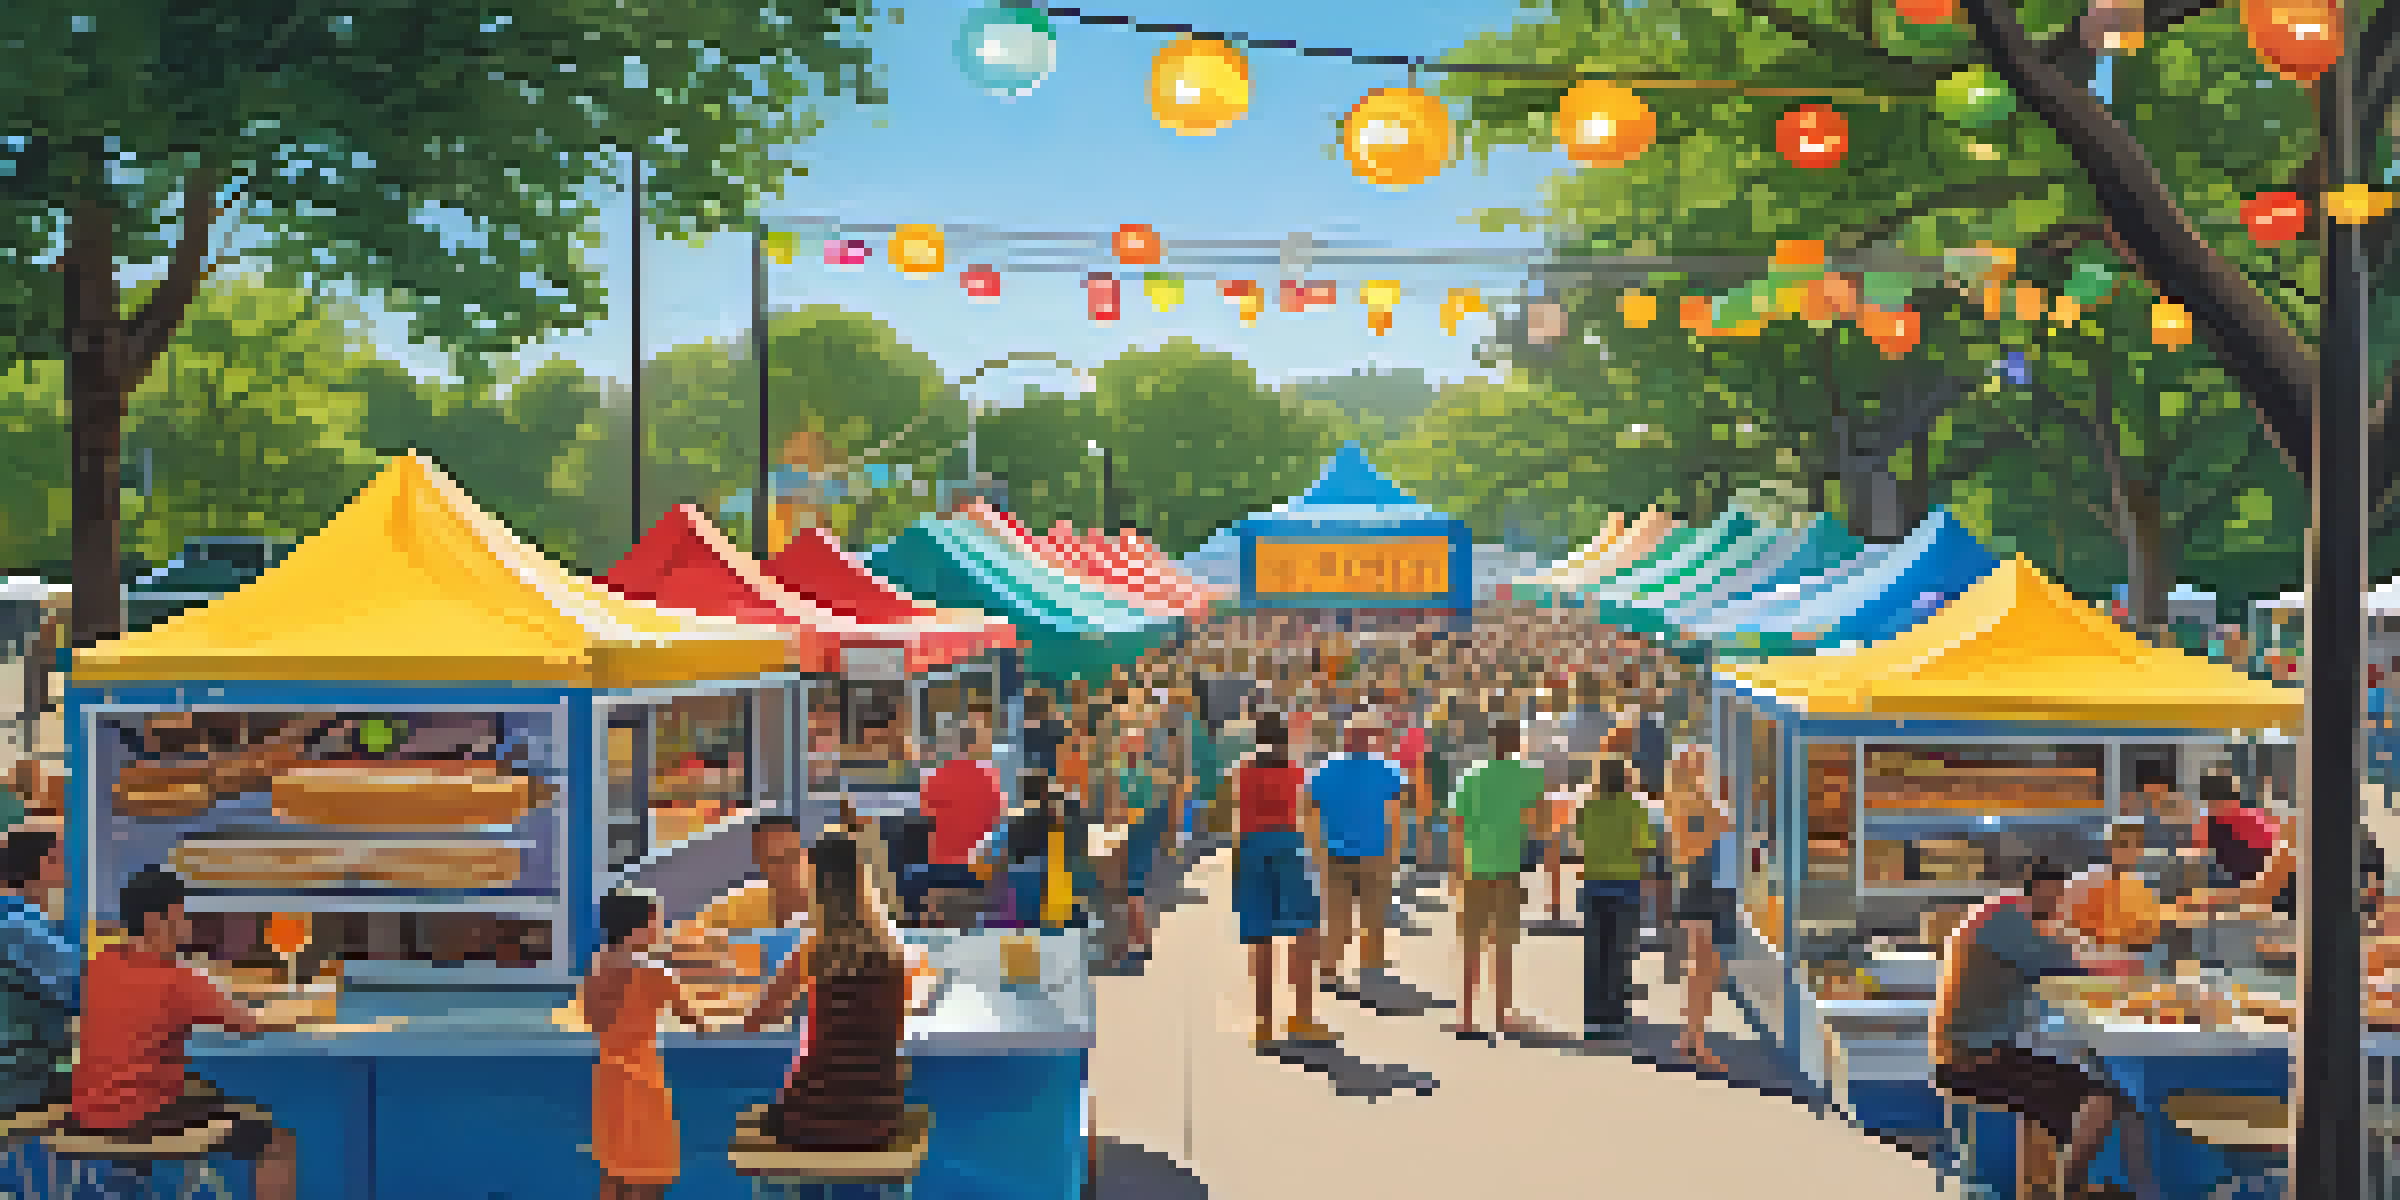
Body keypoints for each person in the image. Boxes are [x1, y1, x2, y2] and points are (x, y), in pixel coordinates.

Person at [69, 867, 301, 1200]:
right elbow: (248, 1025)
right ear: (153, 922)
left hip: (86, 1116)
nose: (188, 928)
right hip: (143, 1119)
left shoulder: (99, 965)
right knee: (277, 1142)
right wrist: (298, 1012)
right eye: (180, 919)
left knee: (206, 1095)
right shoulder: (179, 979)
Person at [1932, 861, 2151, 1200]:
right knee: (2104, 1097)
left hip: (1975, 1051)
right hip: (1972, 1061)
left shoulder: (2001, 914)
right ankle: (2072, 1189)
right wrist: (2132, 966)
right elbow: (2070, 964)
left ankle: (2047, 1184)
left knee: (2070, 1086)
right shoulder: (2007, 920)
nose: (2061, 913)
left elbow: (2058, 960)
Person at [742, 831, 937, 1150]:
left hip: (811, 1117)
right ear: (864, 881)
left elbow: (756, 1020)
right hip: (880, 1116)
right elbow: (899, 1024)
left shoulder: (812, 950)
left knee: (763, 1110)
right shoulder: (895, 953)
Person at [583, 887, 714, 1200]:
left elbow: (594, 1021)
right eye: (656, 922)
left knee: (613, 1173)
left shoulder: (595, 970)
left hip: (608, 1084)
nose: (661, 929)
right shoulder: (655, 974)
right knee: (649, 1176)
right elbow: (697, 1022)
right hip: (643, 1085)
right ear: (637, 928)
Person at [1231, 712, 1334, 1047]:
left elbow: (1236, 816)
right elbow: (1304, 813)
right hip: (1288, 846)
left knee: (1260, 937)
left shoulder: (1243, 771)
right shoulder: (1294, 771)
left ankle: (1263, 1024)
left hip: (1250, 848)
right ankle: (1301, 1017)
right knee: (1304, 933)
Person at [1445, 717, 1544, 1038]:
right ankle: (1502, 1014)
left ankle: (1467, 1016)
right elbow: (1539, 823)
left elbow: (1456, 827)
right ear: (1516, 743)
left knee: (1471, 944)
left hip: (1474, 866)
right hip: (1508, 867)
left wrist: (1456, 870)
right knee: (1503, 944)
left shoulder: (1471, 776)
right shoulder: (1529, 777)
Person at [1309, 713, 1409, 990]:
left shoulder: (1325, 770)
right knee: (1374, 917)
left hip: (1335, 854)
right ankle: (1371, 972)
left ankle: (1329, 971)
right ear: (1370, 740)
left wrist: (1316, 852)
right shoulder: (1387, 770)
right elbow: (1396, 815)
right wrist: (1396, 854)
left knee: (1336, 918)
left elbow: (1312, 813)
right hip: (1375, 854)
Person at [1668, 750, 1737, 1073]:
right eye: (1696, 761)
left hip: (1715, 888)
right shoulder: (1688, 802)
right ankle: (1696, 1043)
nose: (1703, 765)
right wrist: (1716, 827)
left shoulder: (1701, 799)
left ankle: (1690, 1037)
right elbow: (1683, 852)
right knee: (1702, 969)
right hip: (1701, 888)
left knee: (1709, 970)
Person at [1576, 758, 1654, 1041]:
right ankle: (1616, 1016)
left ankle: (1593, 1017)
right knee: (1620, 952)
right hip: (1626, 886)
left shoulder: (1588, 807)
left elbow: (1580, 842)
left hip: (1594, 884)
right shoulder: (1636, 808)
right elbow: (1644, 848)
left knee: (1595, 951)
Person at [0, 828, 76, 1112]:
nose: (68, 864)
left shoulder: (15, 920)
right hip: (23, 1078)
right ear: (42, 864)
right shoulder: (22, 928)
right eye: (59, 857)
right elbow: (83, 989)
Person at [907, 717, 1008, 929]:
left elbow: (922, 816)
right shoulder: (991, 780)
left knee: (908, 876)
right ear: (974, 745)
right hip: (979, 871)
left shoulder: (938, 777)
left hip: (938, 868)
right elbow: (999, 819)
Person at [2061, 818, 2166, 958]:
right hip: (2089, 958)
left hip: (2131, 960)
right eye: (2123, 844)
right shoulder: (2087, 882)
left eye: (2135, 845)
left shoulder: (2144, 888)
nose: (2129, 850)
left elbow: (2149, 934)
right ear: (2110, 846)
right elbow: (2071, 927)